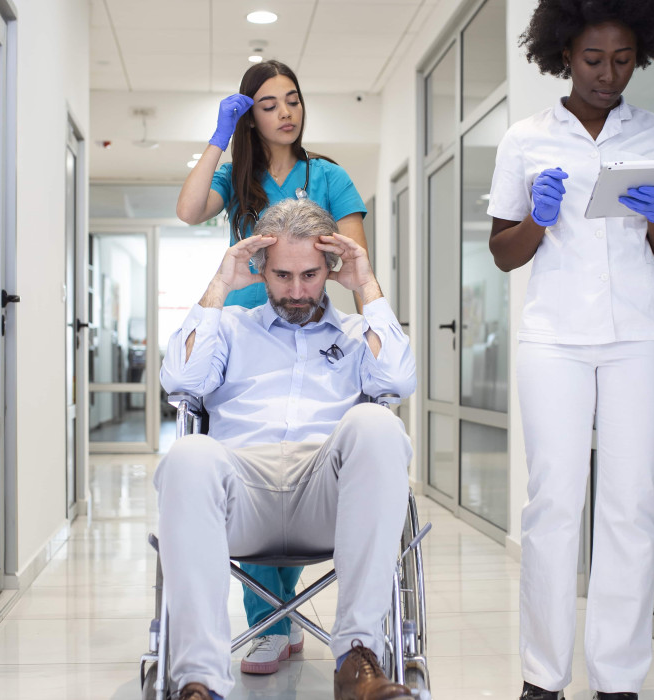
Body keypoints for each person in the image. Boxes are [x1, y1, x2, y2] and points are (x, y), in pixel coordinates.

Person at [485, 1, 654, 699]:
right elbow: (502, 253)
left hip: (640, 338)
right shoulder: (526, 138)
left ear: (643, 54)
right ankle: (543, 678)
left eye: (624, 59)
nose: (609, 74)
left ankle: (618, 679)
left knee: (630, 505)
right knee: (553, 504)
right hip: (554, 340)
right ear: (565, 54)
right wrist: (538, 221)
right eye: (594, 60)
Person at [157, 198, 416, 700]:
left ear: (331, 268)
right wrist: (220, 284)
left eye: (310, 274)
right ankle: (201, 681)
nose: (297, 291)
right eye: (282, 275)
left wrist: (367, 285)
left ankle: (358, 658)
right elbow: (181, 379)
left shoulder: (359, 334)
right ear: (259, 268)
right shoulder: (231, 328)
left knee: (377, 423)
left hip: (326, 496)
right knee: (188, 454)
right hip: (241, 494)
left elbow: (398, 381)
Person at [175, 59, 372, 675]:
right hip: (245, 333)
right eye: (268, 104)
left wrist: (370, 314)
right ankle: (272, 621)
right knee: (245, 442)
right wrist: (217, 137)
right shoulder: (236, 177)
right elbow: (187, 211)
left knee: (301, 439)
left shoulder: (330, 176)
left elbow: (351, 257)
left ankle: (282, 617)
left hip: (307, 327)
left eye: (293, 100)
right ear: (249, 115)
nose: (286, 112)